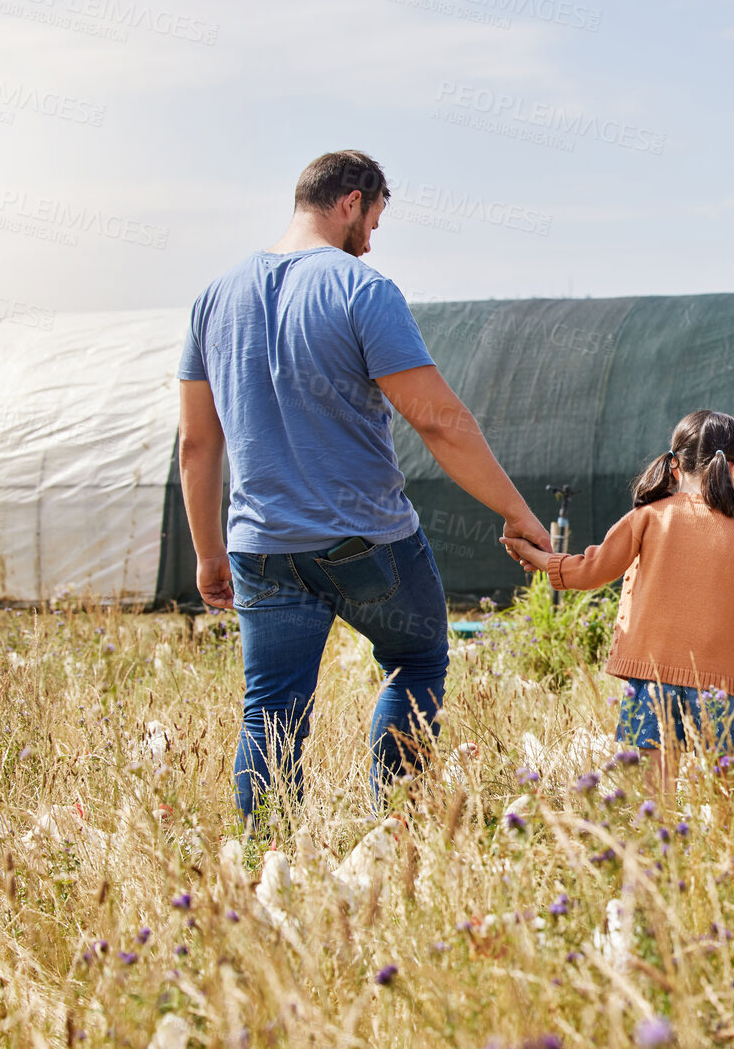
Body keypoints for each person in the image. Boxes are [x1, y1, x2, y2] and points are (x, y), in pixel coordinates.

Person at [177, 149, 551, 823]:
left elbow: (198, 445)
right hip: (365, 542)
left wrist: (208, 553)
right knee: (416, 658)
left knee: (270, 710)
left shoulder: (214, 298)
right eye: (373, 221)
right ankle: (396, 824)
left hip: (259, 549)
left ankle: (266, 863)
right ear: (351, 201)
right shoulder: (360, 289)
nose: (371, 241)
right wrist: (515, 510)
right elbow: (437, 421)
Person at [502, 410, 734, 800]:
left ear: (674, 466)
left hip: (651, 675)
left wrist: (532, 554)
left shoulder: (646, 518)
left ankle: (658, 855)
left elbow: (589, 571)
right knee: (727, 795)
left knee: (656, 794)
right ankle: (722, 857)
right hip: (723, 685)